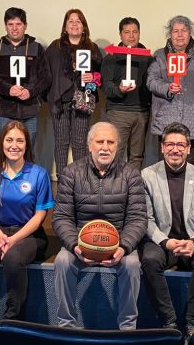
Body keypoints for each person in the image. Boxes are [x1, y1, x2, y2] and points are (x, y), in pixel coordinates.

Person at [53, 122, 146, 330]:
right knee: (62, 261)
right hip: (81, 241)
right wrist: (75, 245)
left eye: (110, 142)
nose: (105, 147)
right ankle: (66, 326)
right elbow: (61, 217)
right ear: (89, 146)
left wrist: (124, 246)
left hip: (118, 243)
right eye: (100, 141)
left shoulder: (131, 174)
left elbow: (138, 218)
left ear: (117, 146)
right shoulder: (71, 173)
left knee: (132, 265)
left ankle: (128, 328)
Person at [0, 121, 53, 322]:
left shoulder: (39, 174)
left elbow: (40, 215)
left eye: (20, 140)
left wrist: (14, 239)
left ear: (27, 144)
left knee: (13, 259)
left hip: (28, 233)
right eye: (9, 140)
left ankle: (13, 320)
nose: (14, 145)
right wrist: (0, 236)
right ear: (1, 143)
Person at [140, 123, 194, 337]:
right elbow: (146, 219)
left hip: (193, 240)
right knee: (150, 259)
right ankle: (169, 321)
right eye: (170, 144)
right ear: (162, 147)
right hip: (162, 241)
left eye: (180, 145)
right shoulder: (147, 175)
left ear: (188, 148)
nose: (175, 149)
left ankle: (192, 321)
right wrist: (166, 242)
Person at [146, 15, 194, 170]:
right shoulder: (159, 55)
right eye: (175, 31)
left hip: (193, 121)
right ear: (170, 34)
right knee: (165, 168)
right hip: (165, 119)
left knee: (191, 169)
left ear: (190, 33)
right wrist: (167, 88)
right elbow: (151, 81)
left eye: (183, 30)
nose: (179, 35)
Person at [44, 9, 103, 179]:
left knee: (79, 143)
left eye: (78, 21)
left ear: (84, 26)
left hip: (83, 100)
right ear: (65, 26)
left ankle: (80, 180)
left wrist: (92, 77)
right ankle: (63, 181)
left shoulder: (92, 48)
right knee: (61, 143)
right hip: (60, 102)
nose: (75, 24)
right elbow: (45, 73)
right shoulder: (55, 47)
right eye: (71, 21)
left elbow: (100, 77)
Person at [0, 7, 50, 153]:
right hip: (5, 111)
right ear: (5, 26)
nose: (14, 29)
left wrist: (30, 91)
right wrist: (8, 89)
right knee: (6, 151)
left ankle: (27, 177)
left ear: (25, 26)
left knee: (29, 151)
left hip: (30, 111)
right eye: (10, 24)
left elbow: (45, 78)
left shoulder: (36, 48)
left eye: (18, 24)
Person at [101, 16, 152, 170]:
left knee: (137, 156)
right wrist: (119, 90)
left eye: (135, 32)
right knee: (115, 153)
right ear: (120, 34)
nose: (131, 36)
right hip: (118, 112)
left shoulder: (148, 58)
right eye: (127, 32)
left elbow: (153, 84)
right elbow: (106, 87)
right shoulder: (111, 57)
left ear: (139, 34)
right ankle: (113, 189)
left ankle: (132, 188)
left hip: (141, 112)